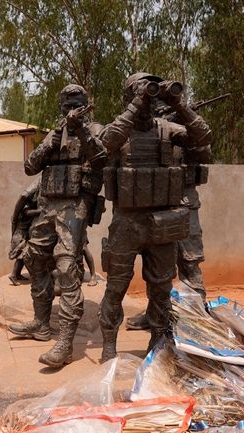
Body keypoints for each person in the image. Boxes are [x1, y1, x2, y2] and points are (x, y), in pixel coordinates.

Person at [98, 73, 212, 362]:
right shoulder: (119, 129)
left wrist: (178, 103)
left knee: (161, 289)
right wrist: (135, 105)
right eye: (142, 92)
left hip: (162, 223)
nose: (150, 100)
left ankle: (159, 343)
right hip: (127, 224)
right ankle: (109, 345)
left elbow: (204, 137)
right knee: (116, 286)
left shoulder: (168, 128)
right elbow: (106, 143)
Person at [7, 84, 107, 368]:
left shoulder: (97, 130)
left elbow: (101, 159)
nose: (70, 110)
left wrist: (83, 131)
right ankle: (40, 324)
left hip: (75, 206)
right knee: (34, 260)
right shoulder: (55, 133)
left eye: (76, 104)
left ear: (86, 105)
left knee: (66, 267)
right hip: (48, 205)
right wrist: (51, 139)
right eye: (66, 105)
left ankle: (65, 343)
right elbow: (30, 166)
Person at [126, 105, 211, 330]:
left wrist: (181, 113)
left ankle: (197, 321)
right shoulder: (153, 134)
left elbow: (204, 147)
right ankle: (154, 313)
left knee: (189, 262)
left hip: (184, 204)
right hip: (158, 203)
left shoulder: (183, 135)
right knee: (156, 267)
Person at [8, 179, 41, 285]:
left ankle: (17, 274)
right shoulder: (25, 209)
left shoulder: (24, 210)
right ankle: (13, 275)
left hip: (21, 235)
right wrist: (40, 211)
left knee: (21, 257)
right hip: (20, 236)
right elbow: (30, 213)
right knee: (22, 257)